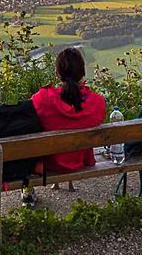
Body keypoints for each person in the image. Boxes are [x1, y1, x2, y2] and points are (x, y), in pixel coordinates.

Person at [26, 47, 107, 204]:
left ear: (57, 73)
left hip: (49, 164)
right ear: (82, 73)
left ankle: (27, 192)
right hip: (80, 161)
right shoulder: (97, 103)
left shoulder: (42, 99)